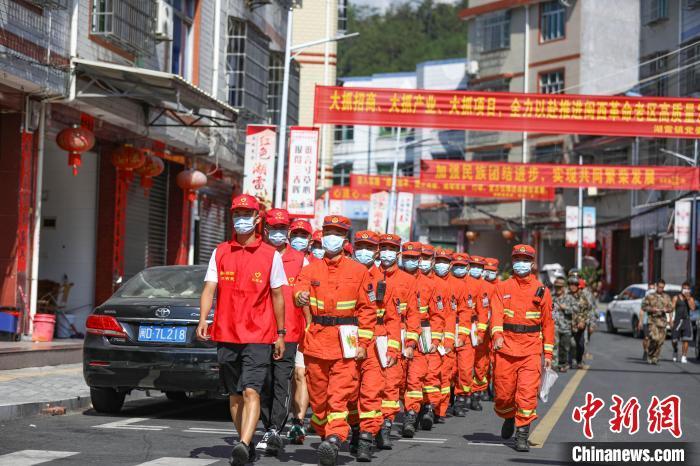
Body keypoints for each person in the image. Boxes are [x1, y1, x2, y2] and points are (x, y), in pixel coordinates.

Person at [197, 194, 287, 466]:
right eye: (237, 213)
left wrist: (280, 333)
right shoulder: (220, 251)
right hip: (225, 333)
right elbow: (209, 287)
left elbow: (278, 297)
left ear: (258, 219)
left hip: (258, 335)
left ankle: (244, 442)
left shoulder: (271, 255)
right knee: (234, 395)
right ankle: (244, 443)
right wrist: (203, 319)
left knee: (251, 391)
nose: (241, 219)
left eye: (247, 214)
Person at [294, 215, 376, 466]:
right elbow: (299, 288)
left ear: (344, 238)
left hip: (346, 343)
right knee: (319, 402)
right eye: (328, 231)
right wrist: (299, 297)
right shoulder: (310, 269)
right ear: (322, 236)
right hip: (317, 341)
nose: (332, 236)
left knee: (338, 396)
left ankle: (334, 438)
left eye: (338, 232)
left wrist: (363, 344)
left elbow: (367, 310)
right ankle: (326, 432)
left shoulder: (359, 271)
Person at [255, 209, 308, 455]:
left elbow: (309, 298)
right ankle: (268, 426)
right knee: (263, 381)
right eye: (273, 228)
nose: (277, 233)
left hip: (289, 332)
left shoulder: (301, 260)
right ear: (265, 230)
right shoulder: (258, 256)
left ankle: (275, 428)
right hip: (259, 331)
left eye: (281, 228)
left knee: (281, 381)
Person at [491, 244, 554, 452]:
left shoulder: (542, 291)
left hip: (530, 349)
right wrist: (497, 335)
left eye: (525, 260)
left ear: (532, 264)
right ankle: (509, 416)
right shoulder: (502, 287)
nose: (521, 263)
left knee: (526, 394)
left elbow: (548, 324)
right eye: (517, 259)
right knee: (503, 395)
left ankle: (522, 434)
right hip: (506, 348)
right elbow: (497, 314)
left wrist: (548, 353)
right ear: (512, 262)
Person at [347, 230, 401, 462]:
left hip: (376, 340)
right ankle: (356, 432)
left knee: (370, 391)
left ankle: (366, 440)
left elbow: (393, 318)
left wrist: (393, 348)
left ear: (376, 251)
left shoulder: (382, 280)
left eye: (369, 247)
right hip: (347, 336)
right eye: (360, 246)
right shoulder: (345, 274)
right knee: (349, 392)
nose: (364, 251)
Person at [375, 234, 419, 450]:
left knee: (391, 383)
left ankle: (385, 426)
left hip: (395, 335)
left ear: (397, 253)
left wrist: (410, 343)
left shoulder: (408, 281)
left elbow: (413, 315)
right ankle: (366, 427)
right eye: (383, 248)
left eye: (391, 249)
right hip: (369, 335)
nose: (386, 252)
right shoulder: (367, 275)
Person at [401, 242, 441, 438]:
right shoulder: (392, 279)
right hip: (397, 331)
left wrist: (436, 338)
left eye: (414, 258)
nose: (410, 261)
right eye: (406, 257)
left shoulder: (430, 285)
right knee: (397, 378)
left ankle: (411, 414)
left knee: (416, 376)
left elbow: (438, 315)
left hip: (422, 333)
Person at [286, 220, 313, 445]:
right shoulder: (280, 259)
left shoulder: (317, 265)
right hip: (283, 330)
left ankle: (298, 422)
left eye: (303, 235)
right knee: (291, 377)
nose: (299, 238)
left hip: (306, 330)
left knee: (300, 375)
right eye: (296, 234)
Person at [449, 253, 474, 417]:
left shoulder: (475, 285)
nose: (458, 268)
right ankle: (450, 397)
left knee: (465, 368)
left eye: (462, 265)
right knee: (449, 367)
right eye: (455, 265)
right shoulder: (447, 283)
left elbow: (481, 309)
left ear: (468, 267)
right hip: (449, 326)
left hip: (468, 326)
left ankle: (461, 397)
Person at [467, 255, 487, 411]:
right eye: (472, 265)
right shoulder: (461, 282)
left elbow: (483, 311)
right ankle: (459, 396)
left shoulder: (485, 286)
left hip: (476, 326)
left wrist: (481, 332)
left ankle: (476, 395)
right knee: (461, 364)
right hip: (459, 325)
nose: (475, 269)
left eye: (478, 266)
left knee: (480, 364)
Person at [641, 279, 673, 365]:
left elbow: (671, 308)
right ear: (656, 286)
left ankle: (655, 357)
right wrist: (652, 309)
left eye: (662, 287)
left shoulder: (667, 297)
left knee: (660, 341)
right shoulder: (650, 296)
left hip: (662, 322)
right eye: (659, 287)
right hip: (653, 321)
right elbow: (643, 306)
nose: (660, 289)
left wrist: (667, 310)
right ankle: (650, 354)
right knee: (654, 338)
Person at [567, 276, 592, 369]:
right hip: (568, 324)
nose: (572, 286)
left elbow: (588, 311)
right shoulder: (566, 296)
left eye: (574, 284)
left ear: (578, 286)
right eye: (570, 284)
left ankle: (579, 361)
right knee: (570, 343)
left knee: (580, 344)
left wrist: (584, 322)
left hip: (580, 325)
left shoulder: (583, 296)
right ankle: (569, 361)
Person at [551, 277, 573, 372]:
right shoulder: (551, 297)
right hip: (554, 326)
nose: (558, 289)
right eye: (556, 287)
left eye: (560, 287)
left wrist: (565, 308)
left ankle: (563, 364)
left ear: (563, 287)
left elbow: (575, 310)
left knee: (564, 346)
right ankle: (554, 364)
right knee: (554, 345)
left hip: (565, 327)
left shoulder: (569, 298)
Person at [671, 281, 696, 363]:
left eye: (687, 289)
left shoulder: (691, 298)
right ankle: (675, 350)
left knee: (686, 339)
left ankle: (684, 356)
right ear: (681, 288)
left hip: (686, 321)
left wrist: (688, 298)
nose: (686, 290)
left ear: (689, 290)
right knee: (674, 340)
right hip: (677, 321)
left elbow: (692, 308)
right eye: (684, 288)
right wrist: (670, 320)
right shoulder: (676, 298)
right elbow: (672, 309)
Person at [639, 281, 655, 360]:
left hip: (655, 322)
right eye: (650, 288)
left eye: (653, 288)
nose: (651, 290)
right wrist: (640, 321)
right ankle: (645, 350)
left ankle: (651, 353)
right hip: (646, 320)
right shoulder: (645, 299)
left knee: (654, 339)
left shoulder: (657, 299)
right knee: (646, 338)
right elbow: (642, 310)